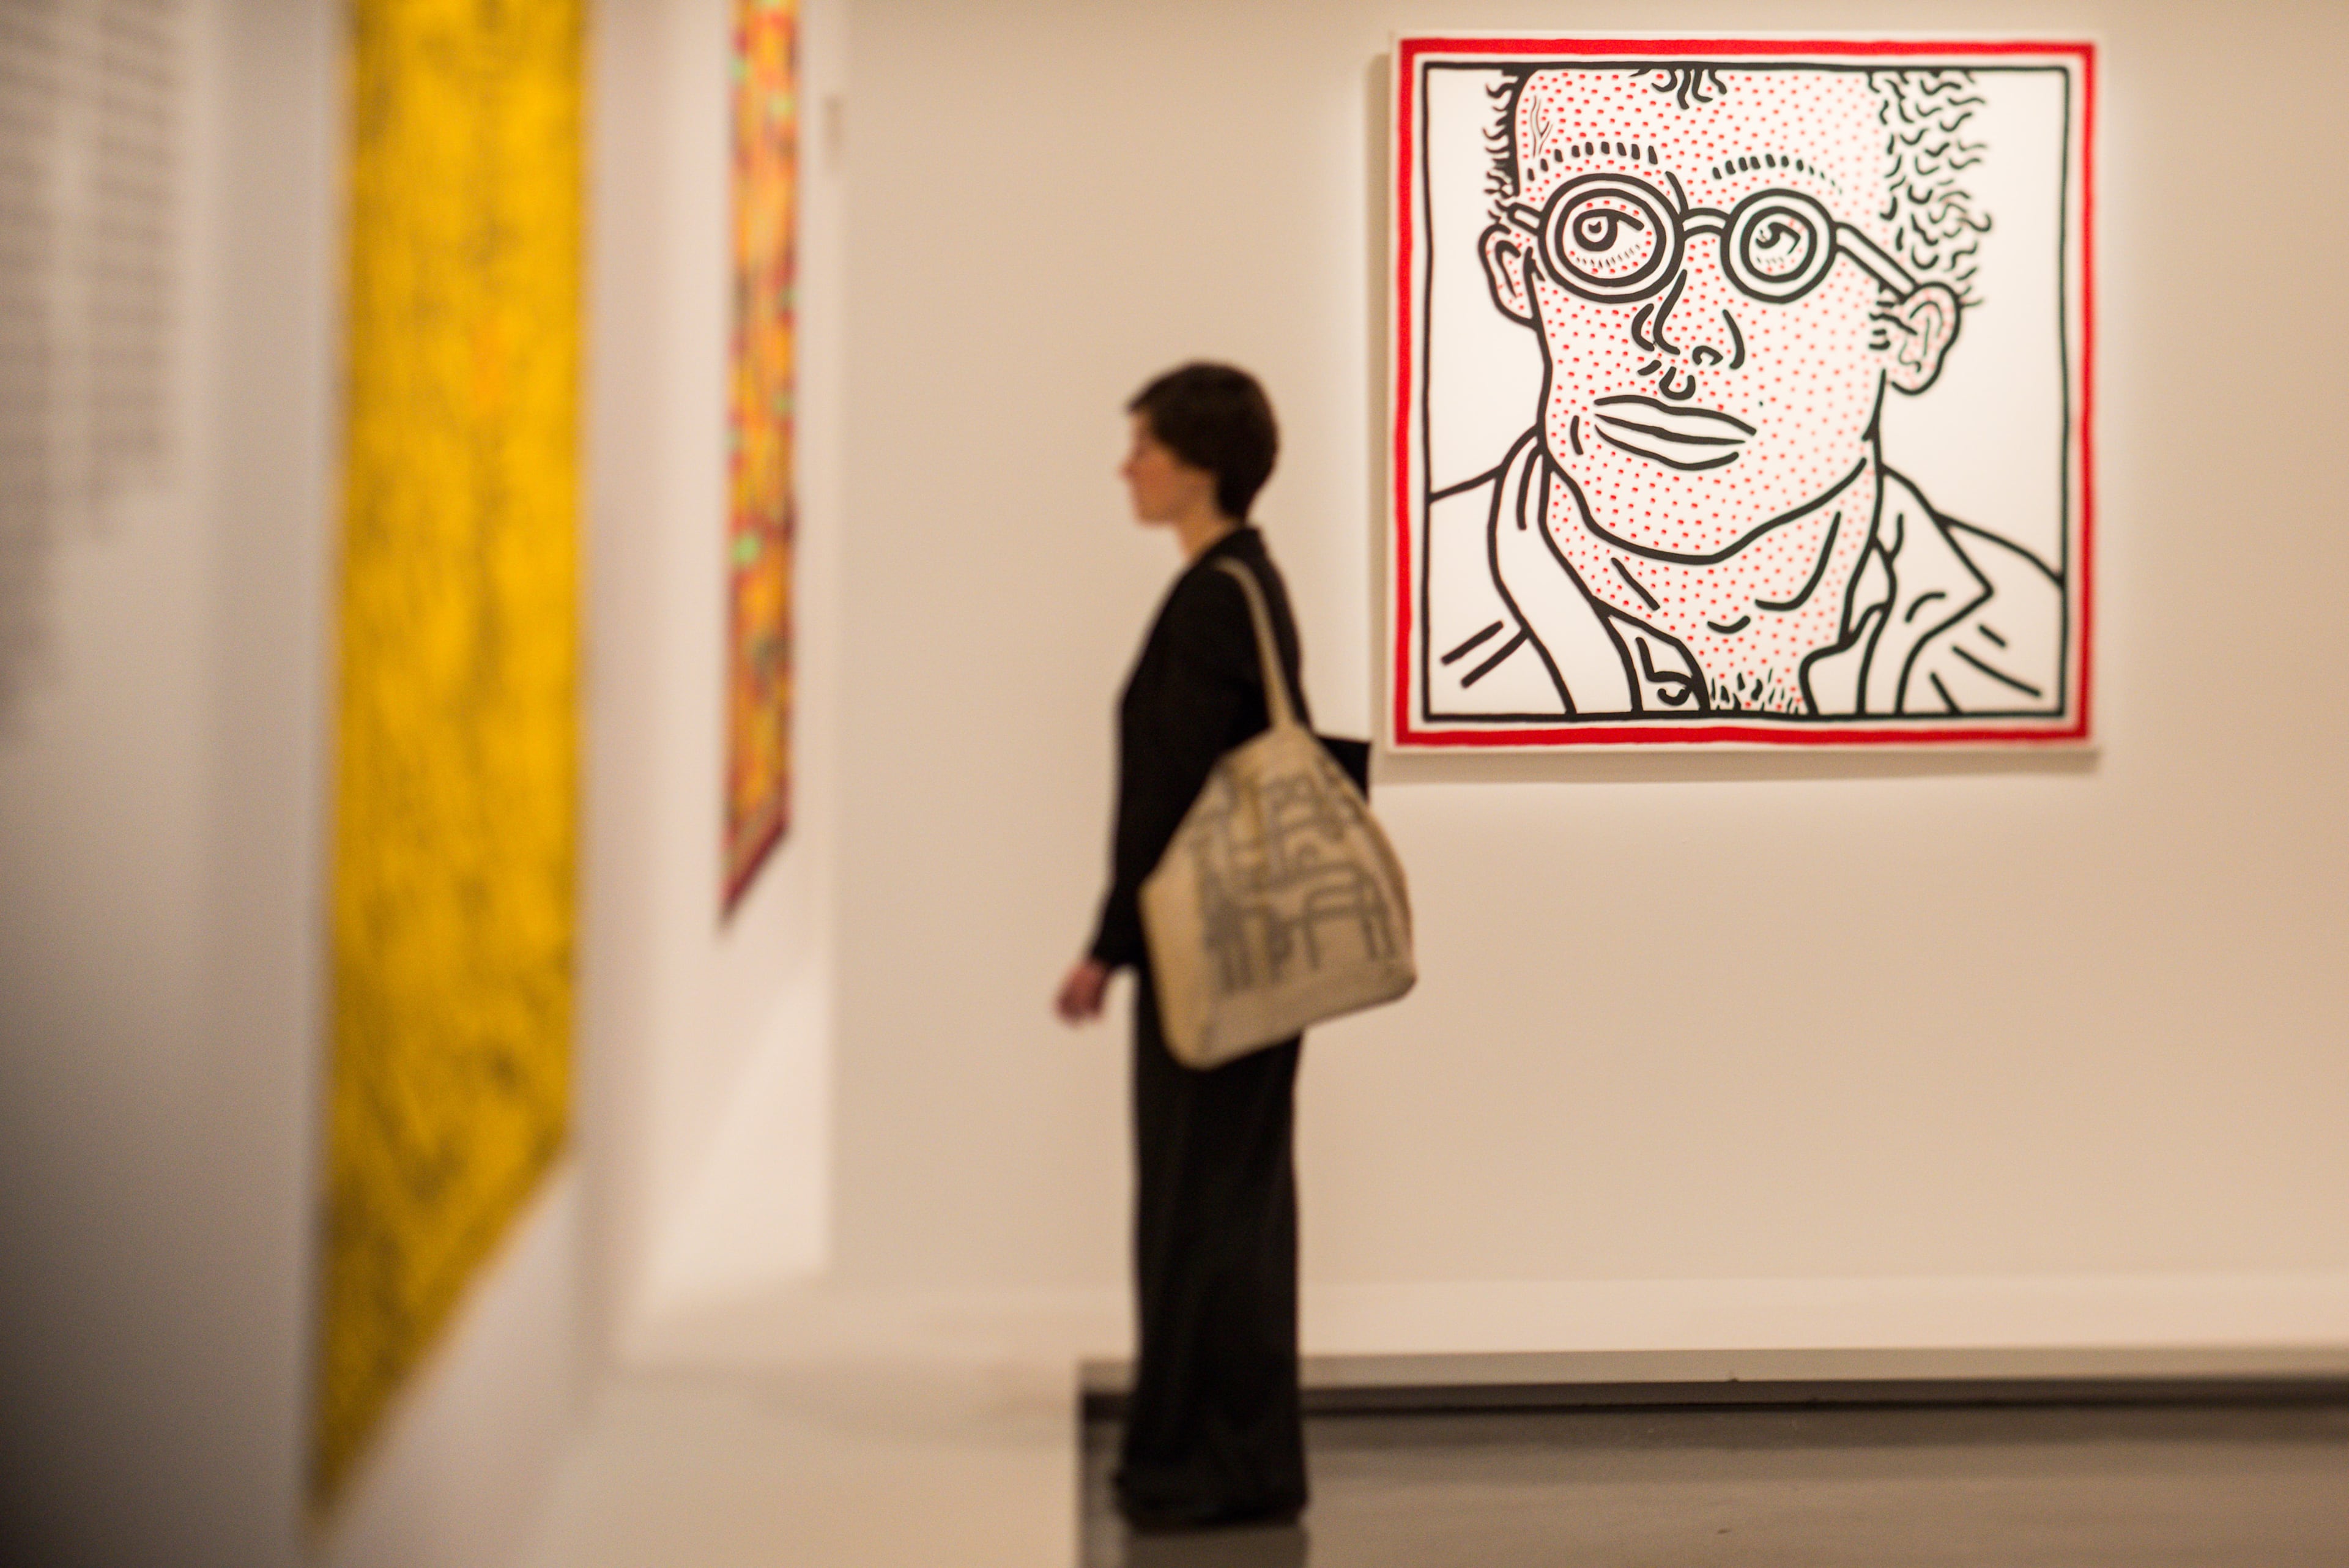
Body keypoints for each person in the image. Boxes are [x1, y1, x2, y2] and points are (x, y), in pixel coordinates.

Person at [1423, 64, 2063, 721]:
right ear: (1517, 273)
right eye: (1603, 230)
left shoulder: (2028, 633)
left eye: (1778, 241)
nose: (1681, 327)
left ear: (1908, 333)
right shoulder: (1414, 600)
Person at [1056, 363, 1311, 1532]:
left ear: (1197, 462)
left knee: (1198, 1204)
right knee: (1232, 1202)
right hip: (1257, 950)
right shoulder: (1247, 584)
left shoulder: (1215, 596)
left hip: (1205, 952)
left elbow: (1163, 796)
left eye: (1143, 445)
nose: (1128, 467)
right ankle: (1240, 1457)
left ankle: (1199, 1463)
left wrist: (1105, 946)